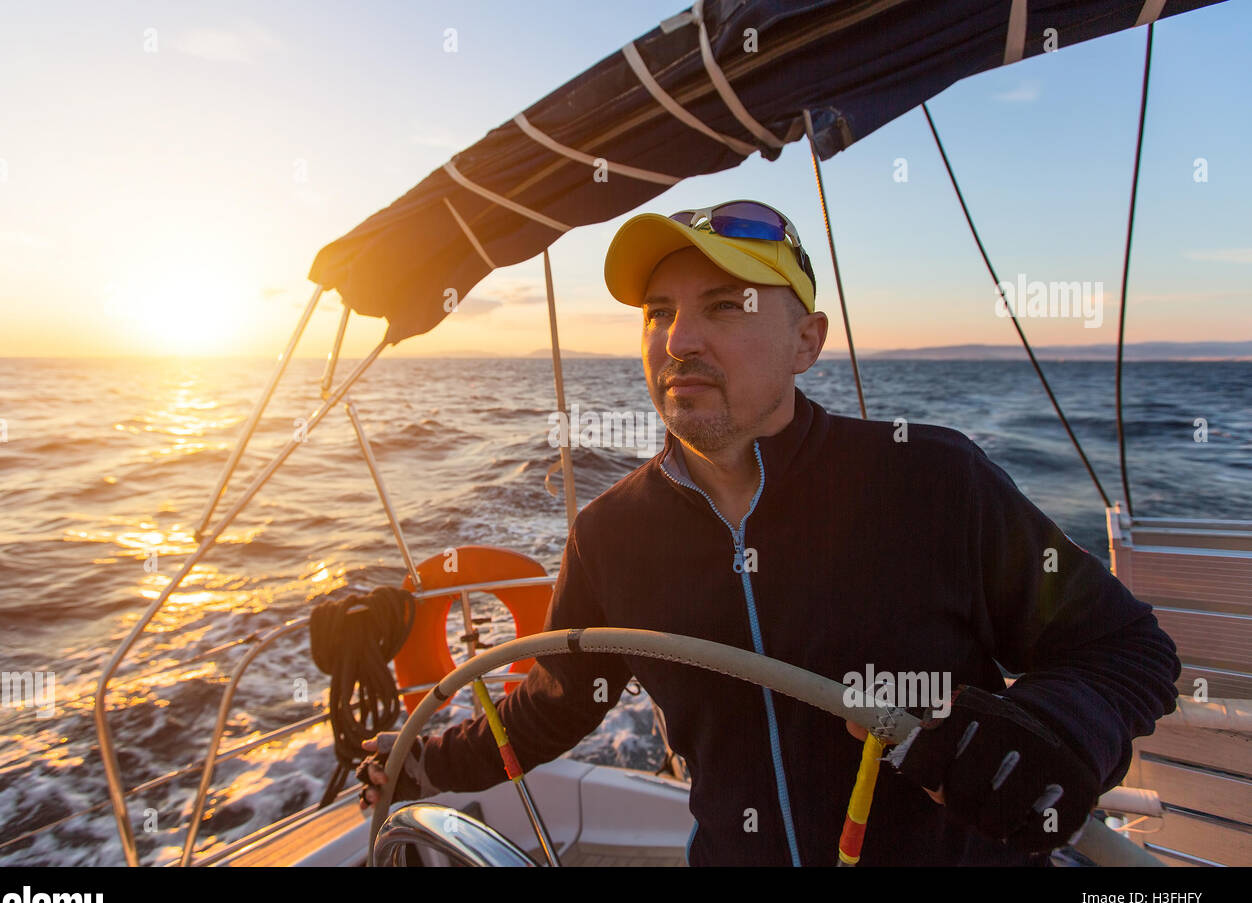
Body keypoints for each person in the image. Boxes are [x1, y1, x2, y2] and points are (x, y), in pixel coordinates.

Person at [359, 200, 1181, 866]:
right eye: (659, 313)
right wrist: (426, 761)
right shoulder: (611, 535)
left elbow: (1125, 649)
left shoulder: (931, 481)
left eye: (726, 307)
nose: (679, 341)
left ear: (807, 342)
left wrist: (1053, 728)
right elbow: (558, 705)